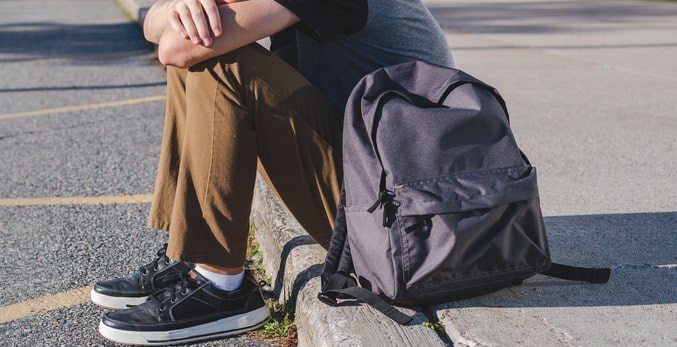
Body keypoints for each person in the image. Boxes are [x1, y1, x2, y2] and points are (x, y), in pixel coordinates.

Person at [92, 0, 454, 344]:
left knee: (216, 56)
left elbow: (175, 45)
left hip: (409, 227)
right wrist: (179, 8)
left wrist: (181, 20)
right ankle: (187, 256)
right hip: (379, 198)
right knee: (199, 41)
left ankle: (220, 287)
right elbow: (153, 24)